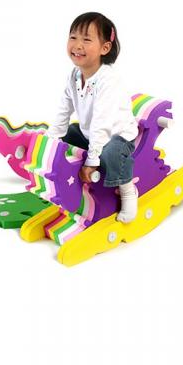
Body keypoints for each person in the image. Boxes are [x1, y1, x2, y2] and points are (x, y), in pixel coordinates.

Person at [46, 12, 139, 223]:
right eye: (73, 37)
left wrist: (92, 160)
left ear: (104, 48)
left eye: (86, 39)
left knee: (111, 154)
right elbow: (64, 108)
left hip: (118, 135)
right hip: (91, 134)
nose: (77, 45)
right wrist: (51, 140)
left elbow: (102, 123)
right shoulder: (74, 74)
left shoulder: (108, 80)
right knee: (68, 134)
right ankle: (67, 182)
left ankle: (127, 189)